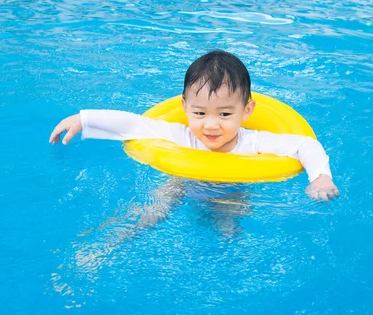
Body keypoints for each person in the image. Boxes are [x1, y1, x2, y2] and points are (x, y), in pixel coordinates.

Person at [49, 50, 340, 202]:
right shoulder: (179, 134)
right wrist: (83, 120)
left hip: (232, 191)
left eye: (225, 115)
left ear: (247, 111)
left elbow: (305, 144)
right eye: (199, 113)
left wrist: (320, 178)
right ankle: (119, 238)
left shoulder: (255, 142)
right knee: (153, 209)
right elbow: (132, 124)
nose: (210, 125)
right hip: (182, 181)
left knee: (230, 220)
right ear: (185, 108)